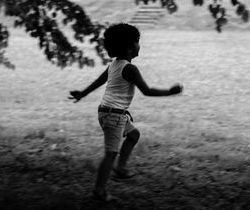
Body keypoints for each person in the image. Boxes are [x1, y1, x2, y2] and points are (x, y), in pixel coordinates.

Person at [68, 23, 183, 202]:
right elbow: (147, 91)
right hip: (114, 115)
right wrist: (170, 92)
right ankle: (99, 191)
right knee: (110, 153)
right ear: (130, 48)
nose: (139, 45)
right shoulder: (129, 68)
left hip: (110, 112)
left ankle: (120, 169)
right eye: (137, 42)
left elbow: (99, 81)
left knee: (134, 135)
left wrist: (83, 93)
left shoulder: (115, 64)